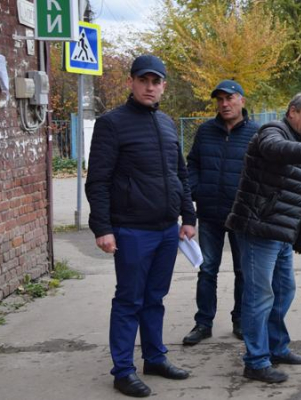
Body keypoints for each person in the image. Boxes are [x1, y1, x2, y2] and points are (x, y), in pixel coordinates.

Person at [85, 54, 196, 398]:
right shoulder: (112, 123)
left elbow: (179, 174)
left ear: (163, 85)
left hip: (166, 229)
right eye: (144, 80)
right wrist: (102, 227)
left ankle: (155, 357)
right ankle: (122, 370)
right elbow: (98, 180)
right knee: (129, 300)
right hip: (131, 230)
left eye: (156, 81)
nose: (150, 87)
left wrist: (188, 216)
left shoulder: (165, 122)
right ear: (131, 83)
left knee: (155, 298)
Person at [225, 92, 301, 384]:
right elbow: (274, 149)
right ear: (292, 111)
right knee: (259, 297)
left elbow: (297, 198)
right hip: (258, 230)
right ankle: (255, 361)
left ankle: (276, 347)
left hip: (280, 234)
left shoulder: (295, 143)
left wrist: (299, 235)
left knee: (284, 291)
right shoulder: (272, 133)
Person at [182, 80, 257, 346]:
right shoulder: (205, 132)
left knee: (243, 271)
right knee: (207, 270)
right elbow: (192, 164)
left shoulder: (256, 133)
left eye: (230, 98)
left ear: (242, 101)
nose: (225, 104)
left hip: (241, 216)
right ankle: (203, 323)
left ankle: (240, 320)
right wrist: (197, 191)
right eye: (220, 99)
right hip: (210, 214)